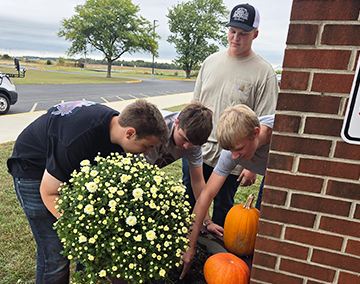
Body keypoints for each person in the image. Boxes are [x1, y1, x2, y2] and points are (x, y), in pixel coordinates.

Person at [7, 99, 168, 284]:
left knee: (89, 242)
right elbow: (49, 192)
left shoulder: (116, 132)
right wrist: (83, 234)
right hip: (33, 169)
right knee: (56, 254)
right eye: (147, 146)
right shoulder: (78, 139)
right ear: (130, 133)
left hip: (63, 167)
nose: (147, 153)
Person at [182, 3, 278, 229]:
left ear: (255, 34)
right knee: (191, 202)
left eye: (243, 34)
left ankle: (214, 257)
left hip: (235, 156)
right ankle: (188, 248)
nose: (236, 38)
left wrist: (249, 165)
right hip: (200, 150)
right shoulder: (210, 62)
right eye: (232, 31)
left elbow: (266, 124)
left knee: (222, 209)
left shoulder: (264, 73)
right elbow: (194, 105)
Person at [180, 104, 274, 278]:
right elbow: (206, 196)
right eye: (230, 151)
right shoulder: (232, 152)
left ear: (255, 133)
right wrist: (189, 246)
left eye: (238, 150)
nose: (234, 157)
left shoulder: (282, 134)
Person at [145, 102, 213, 200]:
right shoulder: (156, 129)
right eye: (184, 139)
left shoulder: (195, 143)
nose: (186, 146)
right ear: (176, 123)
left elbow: (197, 181)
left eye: (192, 144)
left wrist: (205, 214)